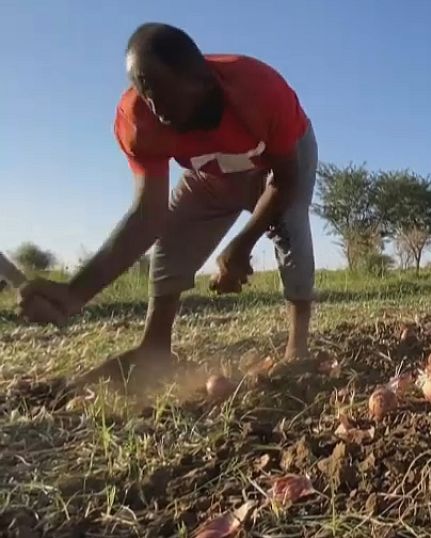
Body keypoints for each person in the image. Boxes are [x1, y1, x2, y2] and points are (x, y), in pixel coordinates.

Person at [17, 23, 318, 378]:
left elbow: (286, 181)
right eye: (145, 91)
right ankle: (154, 348)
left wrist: (242, 245)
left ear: (201, 80)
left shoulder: (260, 91)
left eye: (163, 92)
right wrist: (73, 293)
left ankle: (297, 350)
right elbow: (147, 216)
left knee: (289, 225)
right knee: (172, 237)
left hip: (278, 162)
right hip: (212, 174)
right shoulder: (138, 122)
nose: (156, 107)